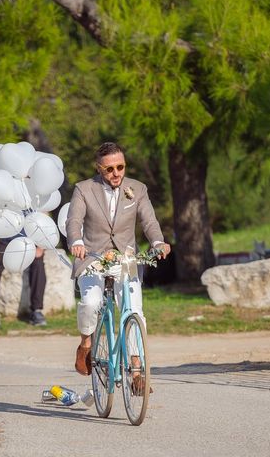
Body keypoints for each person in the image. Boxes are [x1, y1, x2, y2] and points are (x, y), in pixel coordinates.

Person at [66, 142, 171, 391]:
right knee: (90, 303)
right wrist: (77, 242)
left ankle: (136, 371)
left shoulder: (137, 189)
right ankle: (86, 345)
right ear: (99, 169)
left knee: (134, 310)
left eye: (120, 167)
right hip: (92, 257)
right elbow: (74, 221)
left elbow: (149, 220)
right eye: (110, 169)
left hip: (126, 259)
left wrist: (158, 242)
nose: (116, 173)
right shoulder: (84, 189)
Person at [0, 237, 47, 330]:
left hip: (29, 246)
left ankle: (37, 311)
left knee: (38, 264)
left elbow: (43, 226)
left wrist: (40, 248)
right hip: (5, 246)